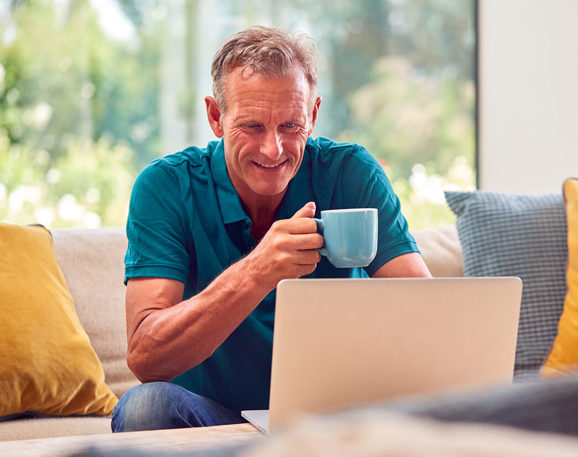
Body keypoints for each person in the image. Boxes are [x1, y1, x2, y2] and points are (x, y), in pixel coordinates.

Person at [111, 25, 431, 433]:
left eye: (290, 126)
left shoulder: (350, 173)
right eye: (252, 126)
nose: (273, 149)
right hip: (214, 422)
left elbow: (425, 311)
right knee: (145, 408)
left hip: (333, 421)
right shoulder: (167, 186)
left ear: (313, 116)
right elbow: (146, 358)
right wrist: (257, 271)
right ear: (215, 117)